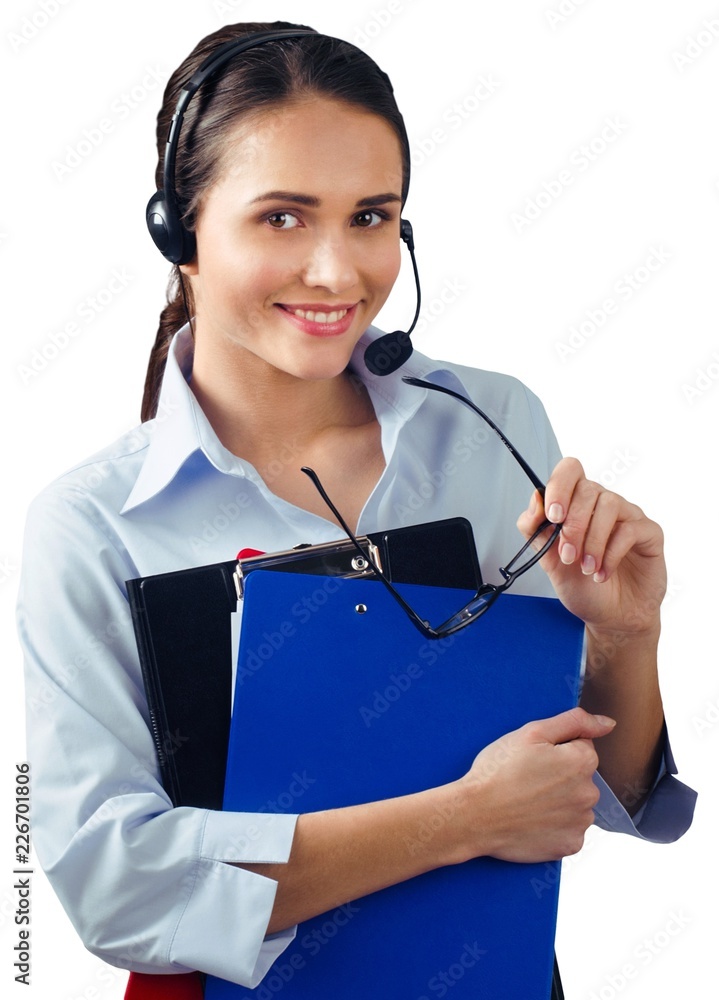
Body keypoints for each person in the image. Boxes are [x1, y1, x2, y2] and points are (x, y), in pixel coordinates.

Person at [18, 19, 696, 995]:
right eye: (283, 217)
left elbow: (578, 791)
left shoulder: (490, 424)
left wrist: (625, 638)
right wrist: (459, 817)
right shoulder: (91, 523)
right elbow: (115, 888)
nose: (339, 273)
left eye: (371, 216)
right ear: (179, 231)